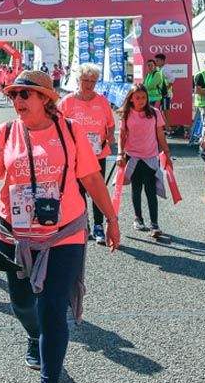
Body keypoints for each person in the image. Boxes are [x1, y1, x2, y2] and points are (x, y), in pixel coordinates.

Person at [0, 71, 120, 383]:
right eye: (14, 95)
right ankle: (32, 335)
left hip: (64, 232)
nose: (18, 101)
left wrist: (111, 218)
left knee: (53, 309)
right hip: (15, 233)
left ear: (46, 98)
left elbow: (90, 178)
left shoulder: (70, 131)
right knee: (23, 305)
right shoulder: (6, 133)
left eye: (25, 94)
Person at [57, 63, 116, 242]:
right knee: (78, 191)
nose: (89, 84)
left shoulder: (102, 101)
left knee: (98, 190)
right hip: (74, 155)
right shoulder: (67, 101)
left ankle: (98, 226)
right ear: (78, 80)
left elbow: (111, 125)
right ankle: (84, 224)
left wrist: (110, 136)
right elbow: (56, 125)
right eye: (85, 80)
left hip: (97, 154)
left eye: (93, 81)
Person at [119, 84, 172, 238]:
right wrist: (120, 153)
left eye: (143, 97)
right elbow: (122, 135)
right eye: (137, 97)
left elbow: (160, 135)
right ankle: (138, 218)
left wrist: (167, 153)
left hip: (150, 157)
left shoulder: (155, 113)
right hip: (133, 157)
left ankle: (154, 224)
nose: (141, 100)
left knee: (151, 190)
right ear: (131, 99)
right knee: (136, 188)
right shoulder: (127, 114)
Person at [153, 53, 172, 132]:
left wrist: (165, 90)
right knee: (161, 111)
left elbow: (172, 79)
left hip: (165, 95)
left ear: (162, 61)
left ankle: (168, 128)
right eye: (155, 60)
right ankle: (165, 127)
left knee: (165, 111)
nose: (156, 62)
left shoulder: (165, 69)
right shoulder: (159, 69)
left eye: (157, 61)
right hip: (160, 94)